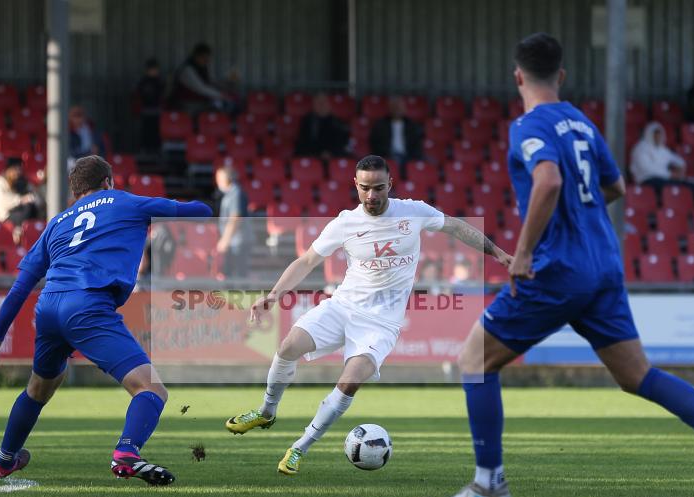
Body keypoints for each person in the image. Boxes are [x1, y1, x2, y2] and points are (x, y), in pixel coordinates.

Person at [433, 33, 694, 497]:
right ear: (562, 76)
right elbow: (616, 184)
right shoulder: (581, 122)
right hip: (603, 264)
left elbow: (548, 180)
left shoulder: (529, 124)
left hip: (559, 268)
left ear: (518, 76)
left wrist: (523, 253)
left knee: (475, 360)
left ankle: (489, 484)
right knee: (637, 375)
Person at [224, 155, 511, 475]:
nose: (371, 195)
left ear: (390, 184)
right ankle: (266, 412)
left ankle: (299, 448)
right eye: (365, 188)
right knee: (289, 346)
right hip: (343, 307)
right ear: (356, 185)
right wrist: (274, 294)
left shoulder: (413, 211)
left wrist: (497, 252)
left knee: (350, 380)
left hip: (381, 323)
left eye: (378, 188)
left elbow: (456, 226)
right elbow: (306, 261)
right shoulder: (345, 223)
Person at [0, 155, 211, 485]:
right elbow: (200, 211)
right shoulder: (126, 202)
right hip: (88, 304)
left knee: (39, 388)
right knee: (150, 389)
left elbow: (20, 287)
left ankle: (3, 461)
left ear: (75, 191)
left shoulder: (58, 222)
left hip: (49, 307)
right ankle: (126, 452)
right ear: (107, 182)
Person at [629, 122, 694, 197]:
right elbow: (647, 169)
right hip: (646, 180)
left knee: (691, 187)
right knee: (672, 187)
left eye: (659, 134)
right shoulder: (641, 147)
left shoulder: (663, 149)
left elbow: (678, 160)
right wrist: (670, 174)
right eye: (655, 134)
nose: (658, 137)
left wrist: (680, 168)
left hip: (664, 179)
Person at [215, 164, 252, 280]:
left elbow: (235, 218)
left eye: (219, 178)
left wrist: (225, 240)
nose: (217, 182)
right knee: (230, 274)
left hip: (238, 241)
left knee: (240, 275)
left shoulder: (236, 193)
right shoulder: (230, 194)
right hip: (234, 241)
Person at [169, 43, 229, 114]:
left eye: (207, 58)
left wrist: (227, 84)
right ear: (196, 56)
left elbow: (211, 82)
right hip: (187, 105)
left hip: (201, 103)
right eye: (204, 58)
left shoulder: (202, 68)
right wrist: (222, 95)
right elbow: (201, 88)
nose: (206, 61)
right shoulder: (187, 70)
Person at [0, 158, 44, 232]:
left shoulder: (21, 181)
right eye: (15, 169)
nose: (18, 172)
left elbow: (35, 196)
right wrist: (20, 200)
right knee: (27, 208)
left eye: (19, 169)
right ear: (9, 169)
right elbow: (2, 201)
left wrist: (32, 198)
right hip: (6, 216)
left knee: (34, 208)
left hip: (21, 211)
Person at [369, 95, 423, 167]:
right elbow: (376, 144)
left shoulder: (412, 125)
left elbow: (416, 144)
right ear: (390, 108)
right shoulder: (381, 125)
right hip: (388, 156)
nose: (397, 109)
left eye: (399, 107)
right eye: (395, 107)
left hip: (408, 157)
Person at [295, 93, 350, 158]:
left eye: (323, 103)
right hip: (312, 156)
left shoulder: (337, 123)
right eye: (318, 103)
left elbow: (342, 143)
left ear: (329, 105)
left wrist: (331, 153)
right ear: (313, 105)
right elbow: (302, 143)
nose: (321, 106)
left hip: (332, 157)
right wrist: (316, 154)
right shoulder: (307, 121)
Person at [135, 57, 165, 154]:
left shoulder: (159, 81)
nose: (155, 71)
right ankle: (145, 151)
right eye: (153, 69)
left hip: (157, 112)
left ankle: (156, 151)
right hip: (146, 112)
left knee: (157, 133)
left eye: (156, 69)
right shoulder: (144, 82)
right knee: (146, 132)